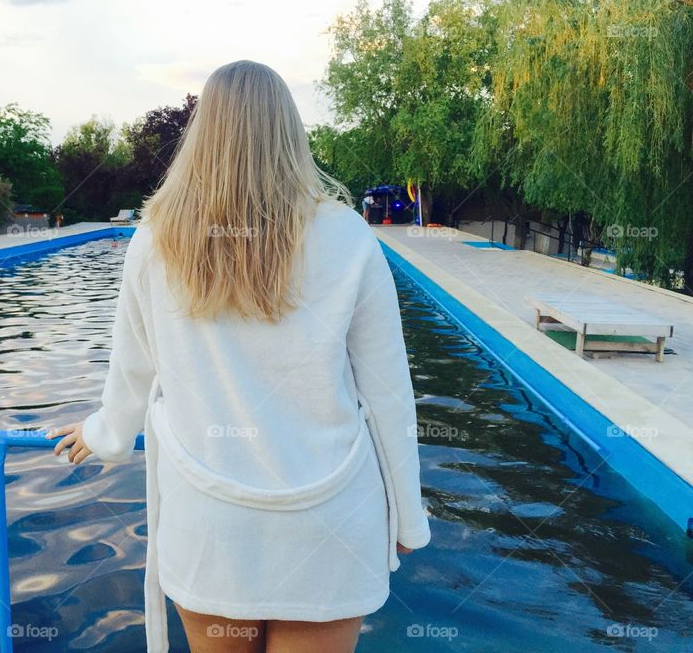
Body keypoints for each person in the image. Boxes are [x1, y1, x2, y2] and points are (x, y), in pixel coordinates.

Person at [49, 60, 431, 653]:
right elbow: (388, 393)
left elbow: (132, 372)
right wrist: (406, 514)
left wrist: (105, 433)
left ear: (202, 133)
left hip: (210, 521)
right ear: (290, 132)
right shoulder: (348, 235)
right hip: (329, 523)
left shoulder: (155, 241)